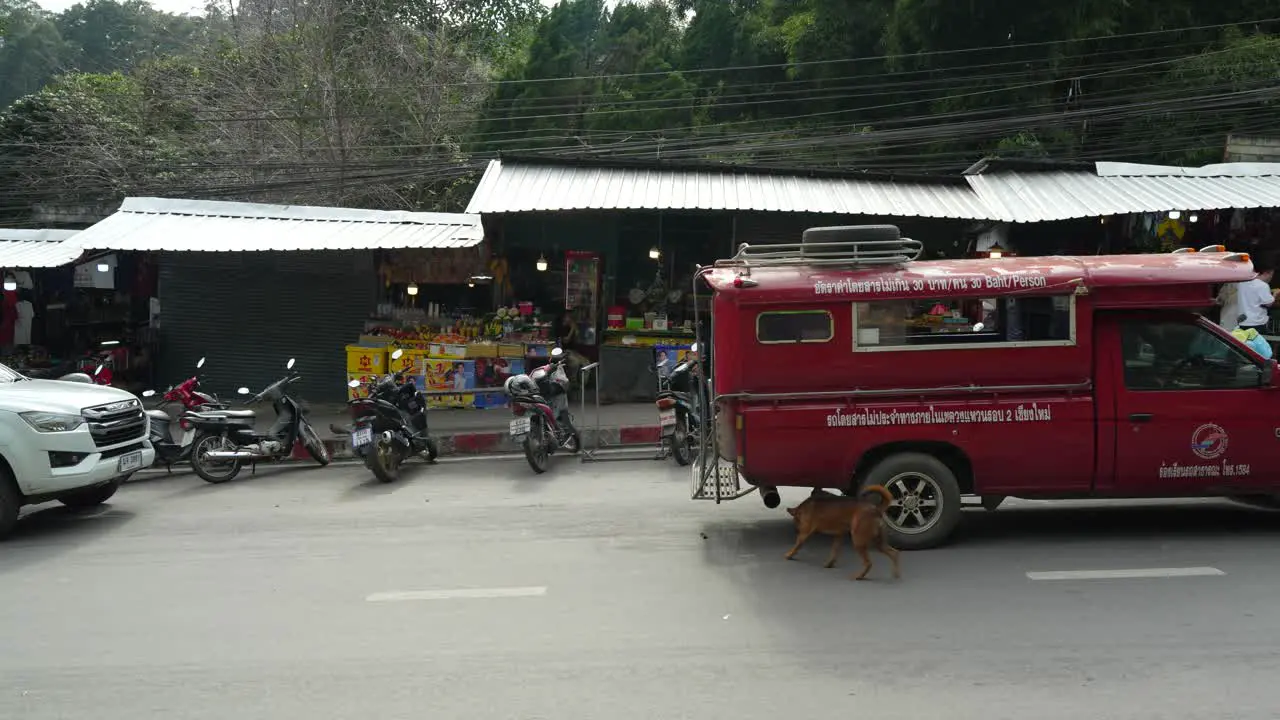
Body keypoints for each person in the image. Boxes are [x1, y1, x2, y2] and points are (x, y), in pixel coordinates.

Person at [1217, 259, 1275, 333]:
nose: (1271, 278)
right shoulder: (1262, 285)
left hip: (1242, 322)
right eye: (1271, 275)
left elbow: (1220, 299)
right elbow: (1268, 303)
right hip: (1256, 322)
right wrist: (1274, 295)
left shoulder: (1242, 283)